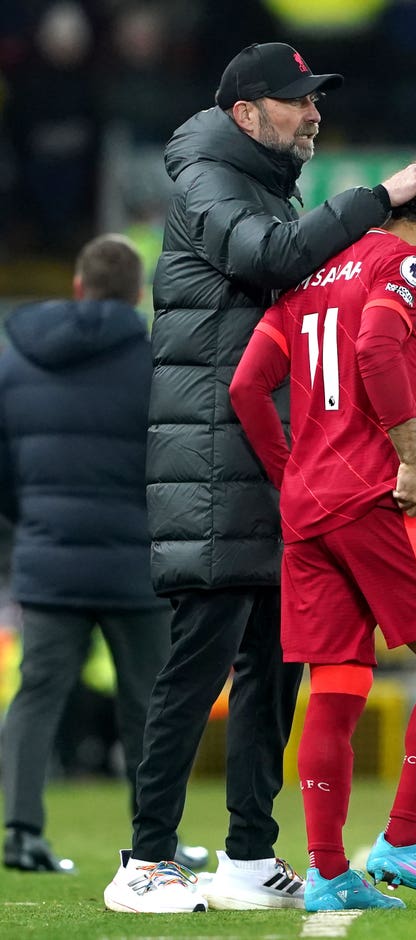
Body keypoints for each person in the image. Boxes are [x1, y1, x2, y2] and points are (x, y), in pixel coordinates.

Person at [102, 41, 416, 915]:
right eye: (297, 101)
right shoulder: (208, 179)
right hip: (215, 457)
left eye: (315, 101)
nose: (314, 114)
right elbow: (266, 258)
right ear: (245, 114)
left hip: (274, 459)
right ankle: (143, 860)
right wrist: (377, 202)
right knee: (202, 659)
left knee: (274, 659)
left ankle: (249, 857)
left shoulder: (261, 181)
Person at [230, 157, 416, 911]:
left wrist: (290, 475)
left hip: (310, 508)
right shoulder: (405, 265)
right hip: (380, 492)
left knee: (338, 687)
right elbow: (378, 346)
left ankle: (324, 873)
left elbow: (248, 387)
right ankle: (406, 842)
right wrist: (413, 459)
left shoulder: (307, 279)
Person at [0, 235, 180, 873]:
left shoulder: (14, 357)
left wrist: (33, 522)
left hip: (48, 558)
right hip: (137, 559)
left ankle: (21, 833)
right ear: (137, 295)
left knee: (36, 696)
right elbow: (179, 459)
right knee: (151, 703)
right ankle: (156, 844)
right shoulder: (159, 357)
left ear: (78, 285)